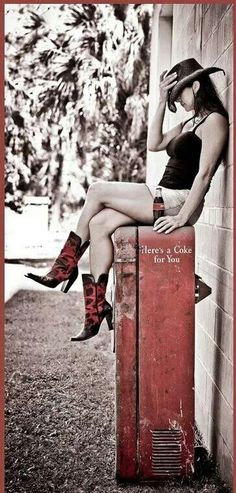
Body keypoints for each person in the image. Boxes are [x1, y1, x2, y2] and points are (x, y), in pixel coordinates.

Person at [25, 58, 229, 341]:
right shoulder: (190, 121)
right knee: (99, 224)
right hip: (162, 195)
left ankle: (63, 268)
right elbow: (154, 143)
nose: (178, 102)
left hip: (177, 200)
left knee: (97, 190)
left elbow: (204, 175)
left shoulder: (214, 121)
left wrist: (182, 217)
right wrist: (160, 101)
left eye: (179, 94)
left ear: (195, 86)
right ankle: (96, 311)